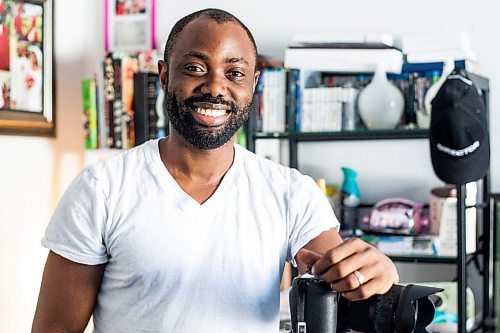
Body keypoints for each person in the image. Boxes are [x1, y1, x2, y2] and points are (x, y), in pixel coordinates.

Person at [32, 8, 398, 333]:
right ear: (163, 76)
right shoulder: (102, 190)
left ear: (253, 86)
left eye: (235, 72)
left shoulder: (290, 192)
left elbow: (347, 283)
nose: (215, 87)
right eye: (195, 68)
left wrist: (378, 272)